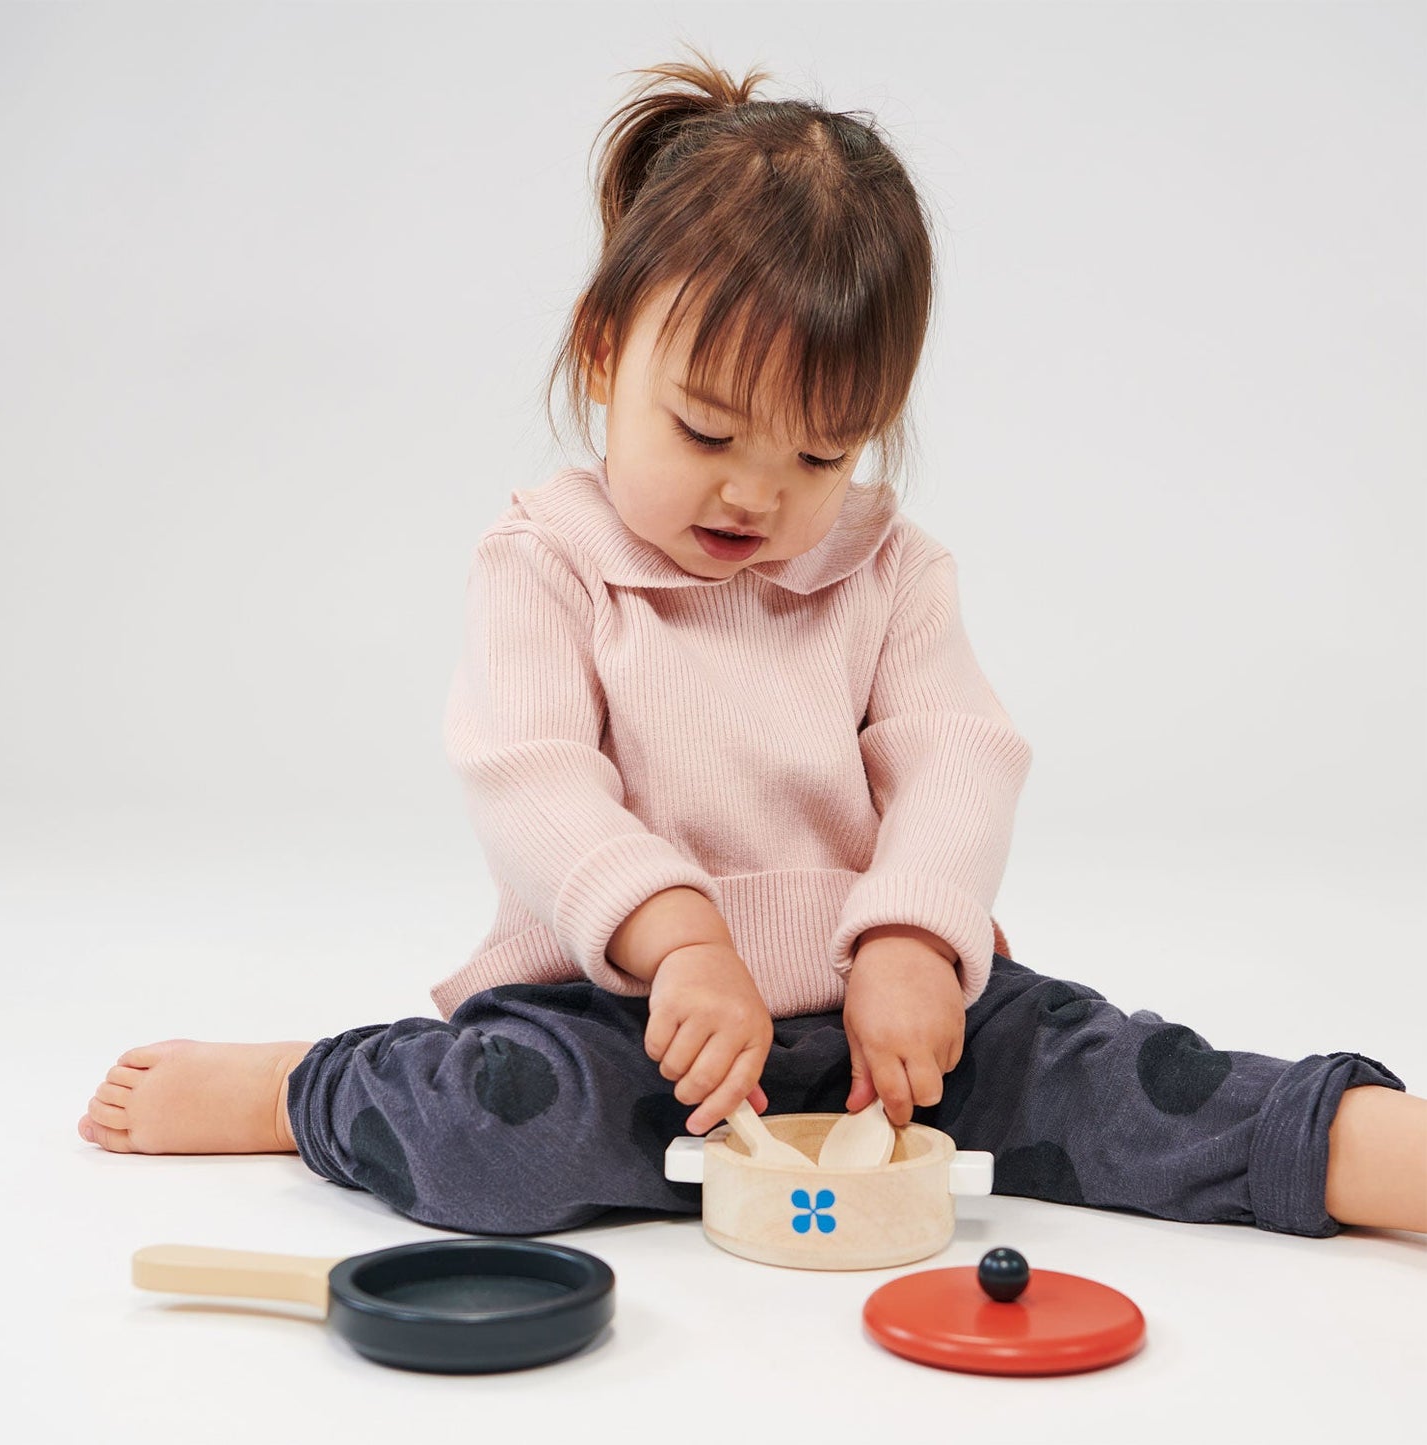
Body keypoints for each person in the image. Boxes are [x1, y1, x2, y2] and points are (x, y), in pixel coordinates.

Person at [77, 49, 1424, 1240]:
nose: (753, 494)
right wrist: (680, 945)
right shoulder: (547, 562)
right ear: (603, 351)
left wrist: (913, 940)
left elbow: (957, 760)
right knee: (503, 1139)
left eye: (820, 453)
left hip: (884, 1024)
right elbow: (533, 782)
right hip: (633, 1022)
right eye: (707, 431)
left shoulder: (891, 570)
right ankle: (304, 1086)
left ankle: (1369, 1153)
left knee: (1116, 1077)